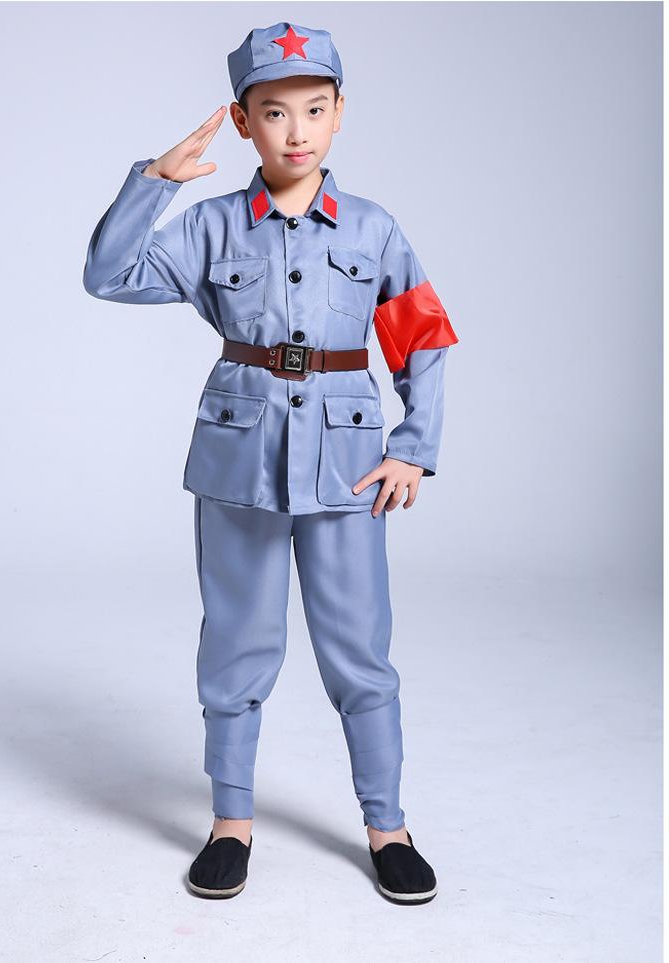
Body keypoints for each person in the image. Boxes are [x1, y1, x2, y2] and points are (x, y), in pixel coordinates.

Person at [83, 21, 458, 904]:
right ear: (245, 122)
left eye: (315, 110)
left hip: (347, 468)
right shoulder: (212, 226)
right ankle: (230, 823)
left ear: (339, 115)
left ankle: (388, 826)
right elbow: (108, 274)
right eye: (275, 112)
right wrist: (153, 183)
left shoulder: (372, 228)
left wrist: (414, 447)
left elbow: (423, 337)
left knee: (359, 654)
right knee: (236, 648)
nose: (297, 131)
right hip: (240, 464)